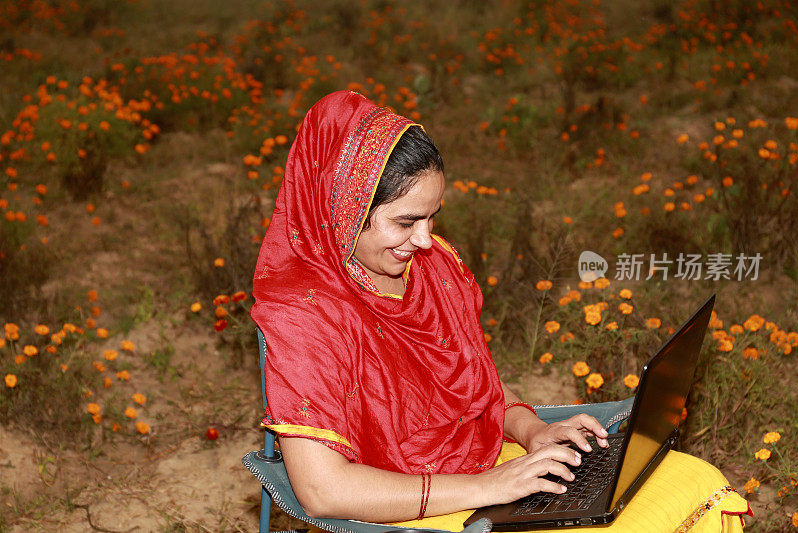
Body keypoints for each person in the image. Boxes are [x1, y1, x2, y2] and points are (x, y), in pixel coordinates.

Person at [250, 91, 750, 531]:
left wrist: (534, 432)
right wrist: (490, 487)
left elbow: (476, 385)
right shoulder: (307, 314)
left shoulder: (434, 268)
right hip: (410, 499)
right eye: (405, 222)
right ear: (342, 211)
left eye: (431, 218)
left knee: (694, 482)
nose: (424, 241)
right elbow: (324, 492)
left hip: (483, 465)